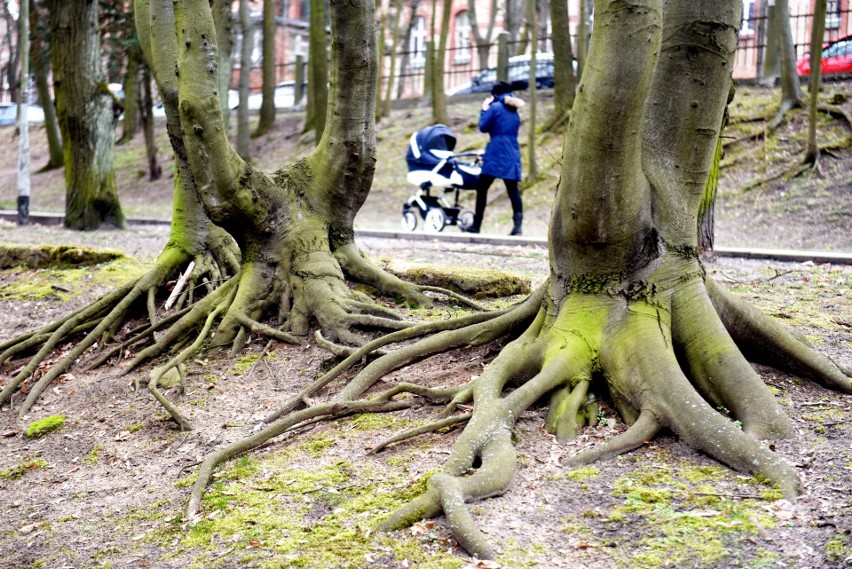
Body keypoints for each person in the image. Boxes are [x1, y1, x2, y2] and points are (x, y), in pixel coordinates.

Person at [467, 81, 525, 235]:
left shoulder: (495, 107)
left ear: (494, 95)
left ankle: (476, 225)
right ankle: (518, 227)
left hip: (496, 152)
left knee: (482, 188)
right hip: (512, 151)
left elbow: (483, 126)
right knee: (513, 190)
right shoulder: (515, 111)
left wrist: (484, 109)